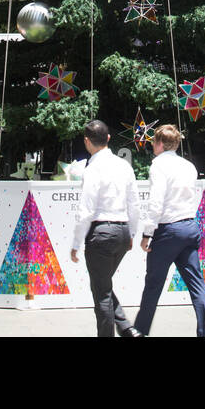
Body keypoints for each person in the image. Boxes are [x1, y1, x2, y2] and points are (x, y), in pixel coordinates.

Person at [134, 124, 205, 337]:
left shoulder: (158, 166)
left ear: (159, 143)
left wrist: (147, 233)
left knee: (153, 285)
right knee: (197, 286)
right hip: (189, 226)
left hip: (168, 230)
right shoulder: (188, 166)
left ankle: (140, 331)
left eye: (153, 143)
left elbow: (156, 203)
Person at [70, 120, 141, 337]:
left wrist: (75, 243)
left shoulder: (92, 169)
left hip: (100, 233)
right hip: (121, 231)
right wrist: (131, 233)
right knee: (103, 285)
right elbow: (135, 204)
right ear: (108, 139)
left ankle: (116, 331)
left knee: (101, 292)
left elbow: (86, 210)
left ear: (86, 141)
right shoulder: (124, 166)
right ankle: (126, 328)